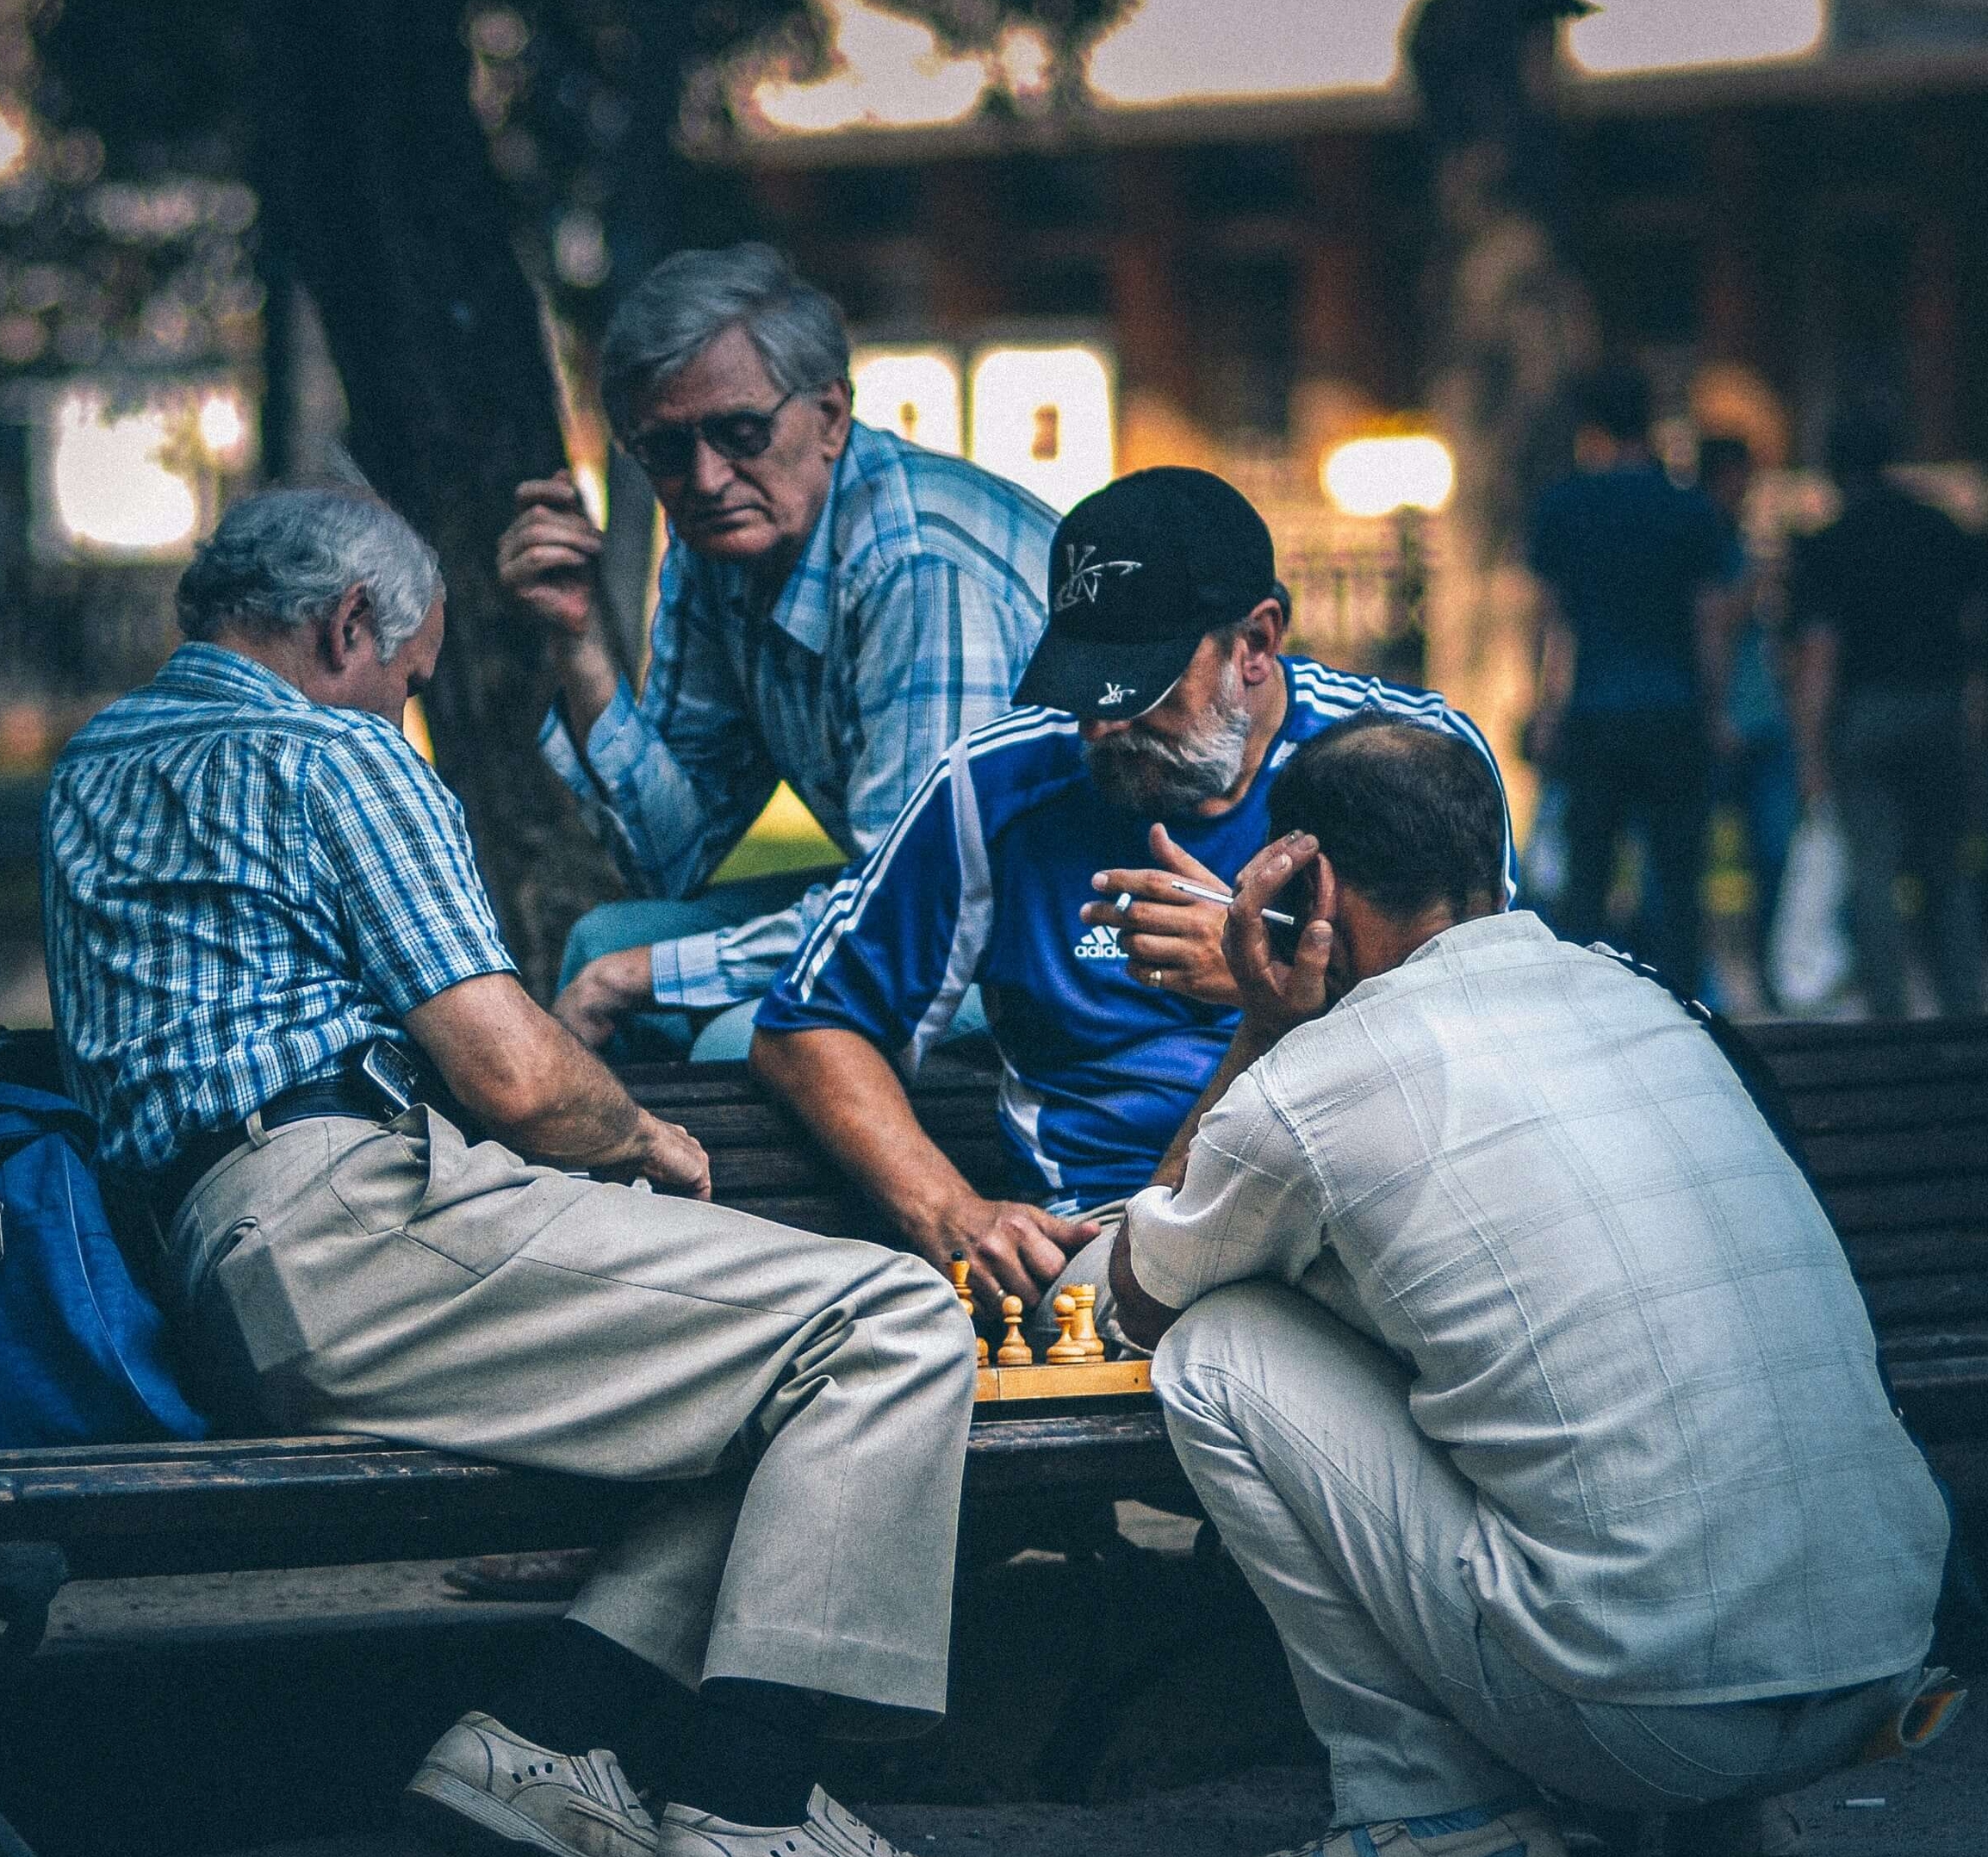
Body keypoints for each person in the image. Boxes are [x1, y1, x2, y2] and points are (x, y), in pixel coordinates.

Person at [44, 487, 1015, 1857]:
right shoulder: (332, 749)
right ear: (347, 624)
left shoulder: (97, 757)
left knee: (770, 1393)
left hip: (221, 1269)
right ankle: (752, 1808)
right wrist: (639, 1136)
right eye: (410, 676)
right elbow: (512, 1072)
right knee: (884, 1318)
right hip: (351, 1216)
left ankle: (544, 1736)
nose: (405, 705)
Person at [1102, 717, 1950, 1857]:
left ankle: (1428, 1810)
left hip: (1646, 1714)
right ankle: (1721, 1811)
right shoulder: (1646, 999)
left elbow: (1136, 1297)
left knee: (1213, 1351)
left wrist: (1259, 1027)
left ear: (1310, 882)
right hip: (1874, 1668)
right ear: (1488, 856)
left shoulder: (1320, 1075)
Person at [748, 466, 1507, 1315]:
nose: (1101, 726)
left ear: (1256, 643)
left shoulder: (1403, 759)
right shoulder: (997, 784)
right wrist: (949, 1209)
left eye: (1140, 689)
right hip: (1114, 1227)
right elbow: (808, 1025)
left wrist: (1270, 975)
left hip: (1373, 1192)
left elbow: (1493, 1021)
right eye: (1082, 685)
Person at [501, 244, 1054, 1062]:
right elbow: (671, 861)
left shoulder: (914, 568)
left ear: (830, 417)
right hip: (936, 906)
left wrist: (643, 976)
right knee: (602, 939)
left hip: (1057, 937)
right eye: (666, 449)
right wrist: (579, 644)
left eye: (741, 432)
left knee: (733, 1041)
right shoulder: (719, 551)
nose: (708, 477)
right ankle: (623, 1192)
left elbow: (912, 906)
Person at [1525, 364, 1743, 992]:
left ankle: (1583, 1003)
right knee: (1679, 881)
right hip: (1674, 711)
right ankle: (1679, 1005)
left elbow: (1552, 623)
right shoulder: (1688, 508)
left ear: (1591, 428)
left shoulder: (1564, 506)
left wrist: (1546, 709)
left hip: (1595, 712)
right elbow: (1710, 623)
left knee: (1588, 875)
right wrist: (1717, 710)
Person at [1787, 410, 1988, 1019]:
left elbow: (1820, 657)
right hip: (1939, 707)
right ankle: (1963, 1005)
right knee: (1944, 869)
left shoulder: (1829, 543)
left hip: (1865, 715)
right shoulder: (1939, 529)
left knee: (1871, 872)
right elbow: (1976, 632)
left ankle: (1891, 1009)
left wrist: (1811, 752)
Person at [1699, 435, 1801, 1009]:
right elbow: (1715, 623)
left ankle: (1766, 967)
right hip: (1727, 721)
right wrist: (1759, 582)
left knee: (1773, 851)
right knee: (1706, 857)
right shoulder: (1706, 546)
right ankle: (1712, 973)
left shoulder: (1740, 542)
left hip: (1764, 719)